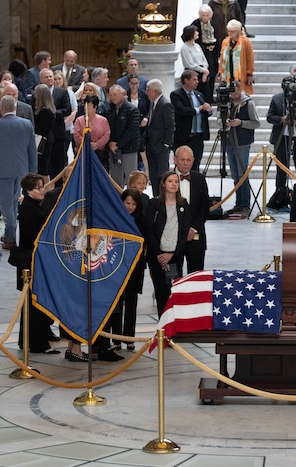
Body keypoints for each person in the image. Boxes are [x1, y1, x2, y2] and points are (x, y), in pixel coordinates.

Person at [0, 96, 37, 249]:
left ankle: (11, 239)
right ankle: (8, 233)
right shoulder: (27, 124)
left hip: (2, 170)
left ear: (1, 109)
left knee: (6, 206)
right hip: (21, 170)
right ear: (15, 108)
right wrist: (33, 172)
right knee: (13, 204)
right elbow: (32, 151)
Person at [14, 173, 57, 354]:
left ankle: (39, 336)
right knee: (34, 302)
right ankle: (36, 342)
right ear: (29, 190)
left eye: (42, 186)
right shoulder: (29, 209)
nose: (43, 190)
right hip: (32, 261)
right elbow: (34, 237)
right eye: (39, 187)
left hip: (36, 259)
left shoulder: (32, 205)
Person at [146, 171, 191, 316]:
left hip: (175, 256)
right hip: (157, 256)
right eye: (170, 181)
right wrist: (159, 254)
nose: (174, 184)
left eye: (176, 181)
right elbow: (149, 230)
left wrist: (172, 253)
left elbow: (184, 232)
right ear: (163, 184)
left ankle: (173, 322)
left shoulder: (183, 204)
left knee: (173, 289)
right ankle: (162, 326)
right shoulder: (154, 204)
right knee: (161, 291)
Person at [112, 188, 147, 351]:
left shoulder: (141, 220)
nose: (130, 207)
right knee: (116, 302)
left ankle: (129, 337)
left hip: (135, 267)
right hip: (116, 266)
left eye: (133, 204)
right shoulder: (114, 219)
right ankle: (116, 337)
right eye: (127, 203)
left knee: (131, 302)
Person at [173, 146, 210, 274]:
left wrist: (193, 228)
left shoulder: (200, 179)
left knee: (196, 277)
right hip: (172, 239)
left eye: (188, 160)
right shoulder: (166, 178)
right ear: (175, 160)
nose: (185, 163)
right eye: (182, 159)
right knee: (172, 277)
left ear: (193, 161)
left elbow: (205, 207)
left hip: (195, 236)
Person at [226, 80, 260, 216]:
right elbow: (218, 119)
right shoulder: (226, 103)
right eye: (231, 92)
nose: (233, 95)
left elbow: (256, 123)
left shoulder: (248, 103)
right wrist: (225, 122)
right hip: (229, 141)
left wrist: (241, 123)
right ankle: (238, 203)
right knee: (235, 174)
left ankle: (245, 203)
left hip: (242, 142)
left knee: (242, 174)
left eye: (235, 91)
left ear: (240, 89)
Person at [171, 70, 211, 173]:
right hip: (183, 136)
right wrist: (198, 109)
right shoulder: (176, 95)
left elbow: (204, 112)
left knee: (195, 164)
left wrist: (208, 110)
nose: (197, 82)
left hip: (197, 137)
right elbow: (181, 110)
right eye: (194, 79)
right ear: (186, 80)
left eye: (197, 79)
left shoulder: (199, 94)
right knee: (181, 165)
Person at [38, 68, 72, 179]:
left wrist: (51, 113)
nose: (49, 79)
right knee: (43, 166)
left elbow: (67, 109)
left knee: (58, 164)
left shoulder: (62, 92)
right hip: (43, 136)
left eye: (50, 76)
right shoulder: (37, 93)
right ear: (40, 79)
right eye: (46, 77)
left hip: (58, 134)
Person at [105, 84, 141, 186]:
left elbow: (132, 130)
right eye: (111, 95)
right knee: (115, 180)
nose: (113, 97)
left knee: (131, 178)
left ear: (123, 94)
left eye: (115, 94)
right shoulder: (110, 109)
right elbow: (107, 127)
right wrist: (111, 143)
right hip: (113, 149)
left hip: (128, 148)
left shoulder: (132, 109)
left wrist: (118, 144)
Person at [144, 79, 174, 186]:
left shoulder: (165, 105)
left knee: (162, 175)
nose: (146, 92)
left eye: (148, 90)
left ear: (155, 91)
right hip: (151, 145)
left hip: (161, 146)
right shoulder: (153, 103)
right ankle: (156, 198)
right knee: (153, 175)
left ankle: (162, 198)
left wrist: (166, 144)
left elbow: (170, 127)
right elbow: (151, 115)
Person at [218, 19, 255, 96]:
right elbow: (222, 58)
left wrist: (249, 74)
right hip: (228, 72)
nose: (230, 34)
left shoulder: (246, 42)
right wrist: (220, 73)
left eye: (233, 32)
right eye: (229, 31)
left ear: (238, 31)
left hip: (241, 74)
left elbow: (250, 58)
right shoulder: (225, 41)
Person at [72, 95, 111, 168]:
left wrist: (96, 144)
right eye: (85, 105)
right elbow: (76, 135)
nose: (85, 107)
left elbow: (107, 134)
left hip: (99, 152)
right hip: (83, 151)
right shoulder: (79, 120)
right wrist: (86, 143)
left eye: (89, 105)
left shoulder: (103, 120)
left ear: (95, 107)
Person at [191, 4, 219, 103]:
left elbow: (217, 36)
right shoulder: (195, 24)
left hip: (212, 51)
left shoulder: (213, 23)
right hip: (202, 51)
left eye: (207, 15)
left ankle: (210, 97)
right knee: (202, 75)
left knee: (212, 73)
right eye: (203, 15)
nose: (205, 17)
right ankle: (203, 98)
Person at [180, 25, 211, 99]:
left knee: (206, 94)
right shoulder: (185, 47)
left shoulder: (197, 46)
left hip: (203, 72)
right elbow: (190, 64)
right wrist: (203, 70)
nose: (197, 33)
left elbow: (204, 60)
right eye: (195, 32)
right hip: (192, 72)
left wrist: (205, 71)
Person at [32, 84, 56, 177]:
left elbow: (41, 129)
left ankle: (44, 188)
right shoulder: (49, 109)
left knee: (42, 168)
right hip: (46, 140)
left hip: (42, 142)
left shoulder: (44, 111)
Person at [52, 70, 78, 157]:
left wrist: (64, 123)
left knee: (63, 154)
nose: (57, 81)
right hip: (53, 127)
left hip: (66, 128)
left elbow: (74, 110)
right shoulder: (50, 92)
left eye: (59, 79)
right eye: (55, 79)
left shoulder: (69, 93)